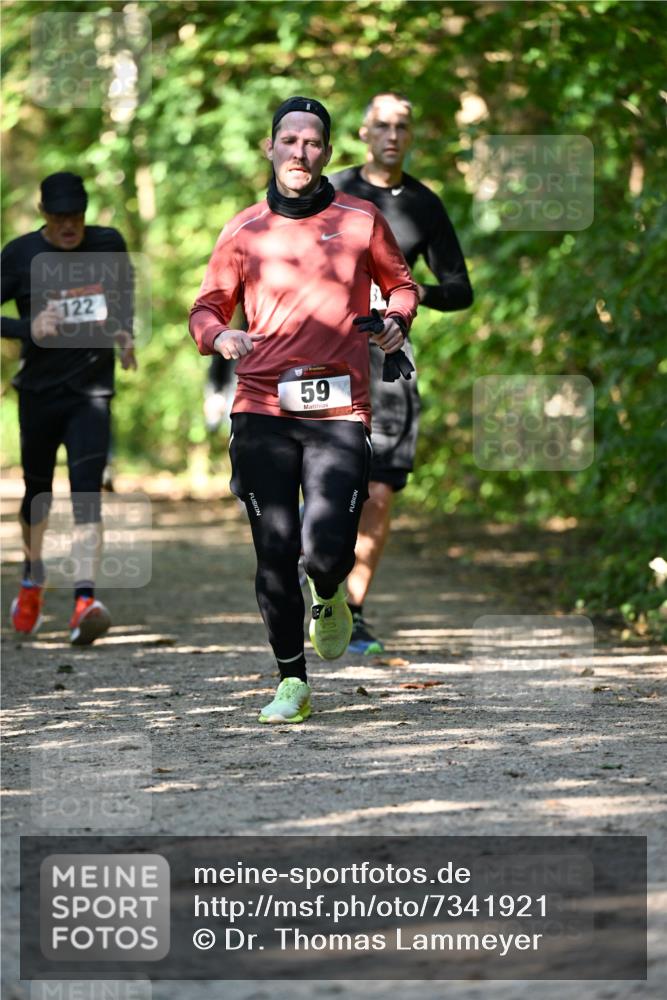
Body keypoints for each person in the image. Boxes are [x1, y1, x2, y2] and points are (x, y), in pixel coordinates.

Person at [189, 96, 418, 724]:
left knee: (324, 551)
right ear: (270, 148)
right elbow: (205, 308)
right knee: (274, 547)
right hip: (261, 407)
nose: (299, 152)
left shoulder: (361, 219)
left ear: (328, 154)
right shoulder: (243, 229)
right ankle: (292, 680)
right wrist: (221, 337)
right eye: (288, 140)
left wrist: (396, 319)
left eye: (312, 143)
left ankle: (329, 589)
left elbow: (401, 284)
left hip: (339, 409)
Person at [330, 92, 473, 653]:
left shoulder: (423, 204)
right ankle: (316, 570)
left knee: (382, 489)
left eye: (403, 127)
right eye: (382, 126)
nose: (393, 135)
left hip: (389, 358)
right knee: (325, 476)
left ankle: (355, 612)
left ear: (411, 137)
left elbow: (460, 291)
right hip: (324, 352)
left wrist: (404, 294)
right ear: (364, 133)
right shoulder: (332, 191)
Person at [1, 171, 136, 644]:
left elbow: (123, 290)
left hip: (91, 395)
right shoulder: (20, 255)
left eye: (75, 216)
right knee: (37, 496)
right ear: (44, 215)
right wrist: (29, 328)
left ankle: (84, 600)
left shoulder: (107, 244)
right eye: (59, 218)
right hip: (39, 395)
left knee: (87, 496)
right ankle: (32, 580)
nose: (69, 226)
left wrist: (123, 331)